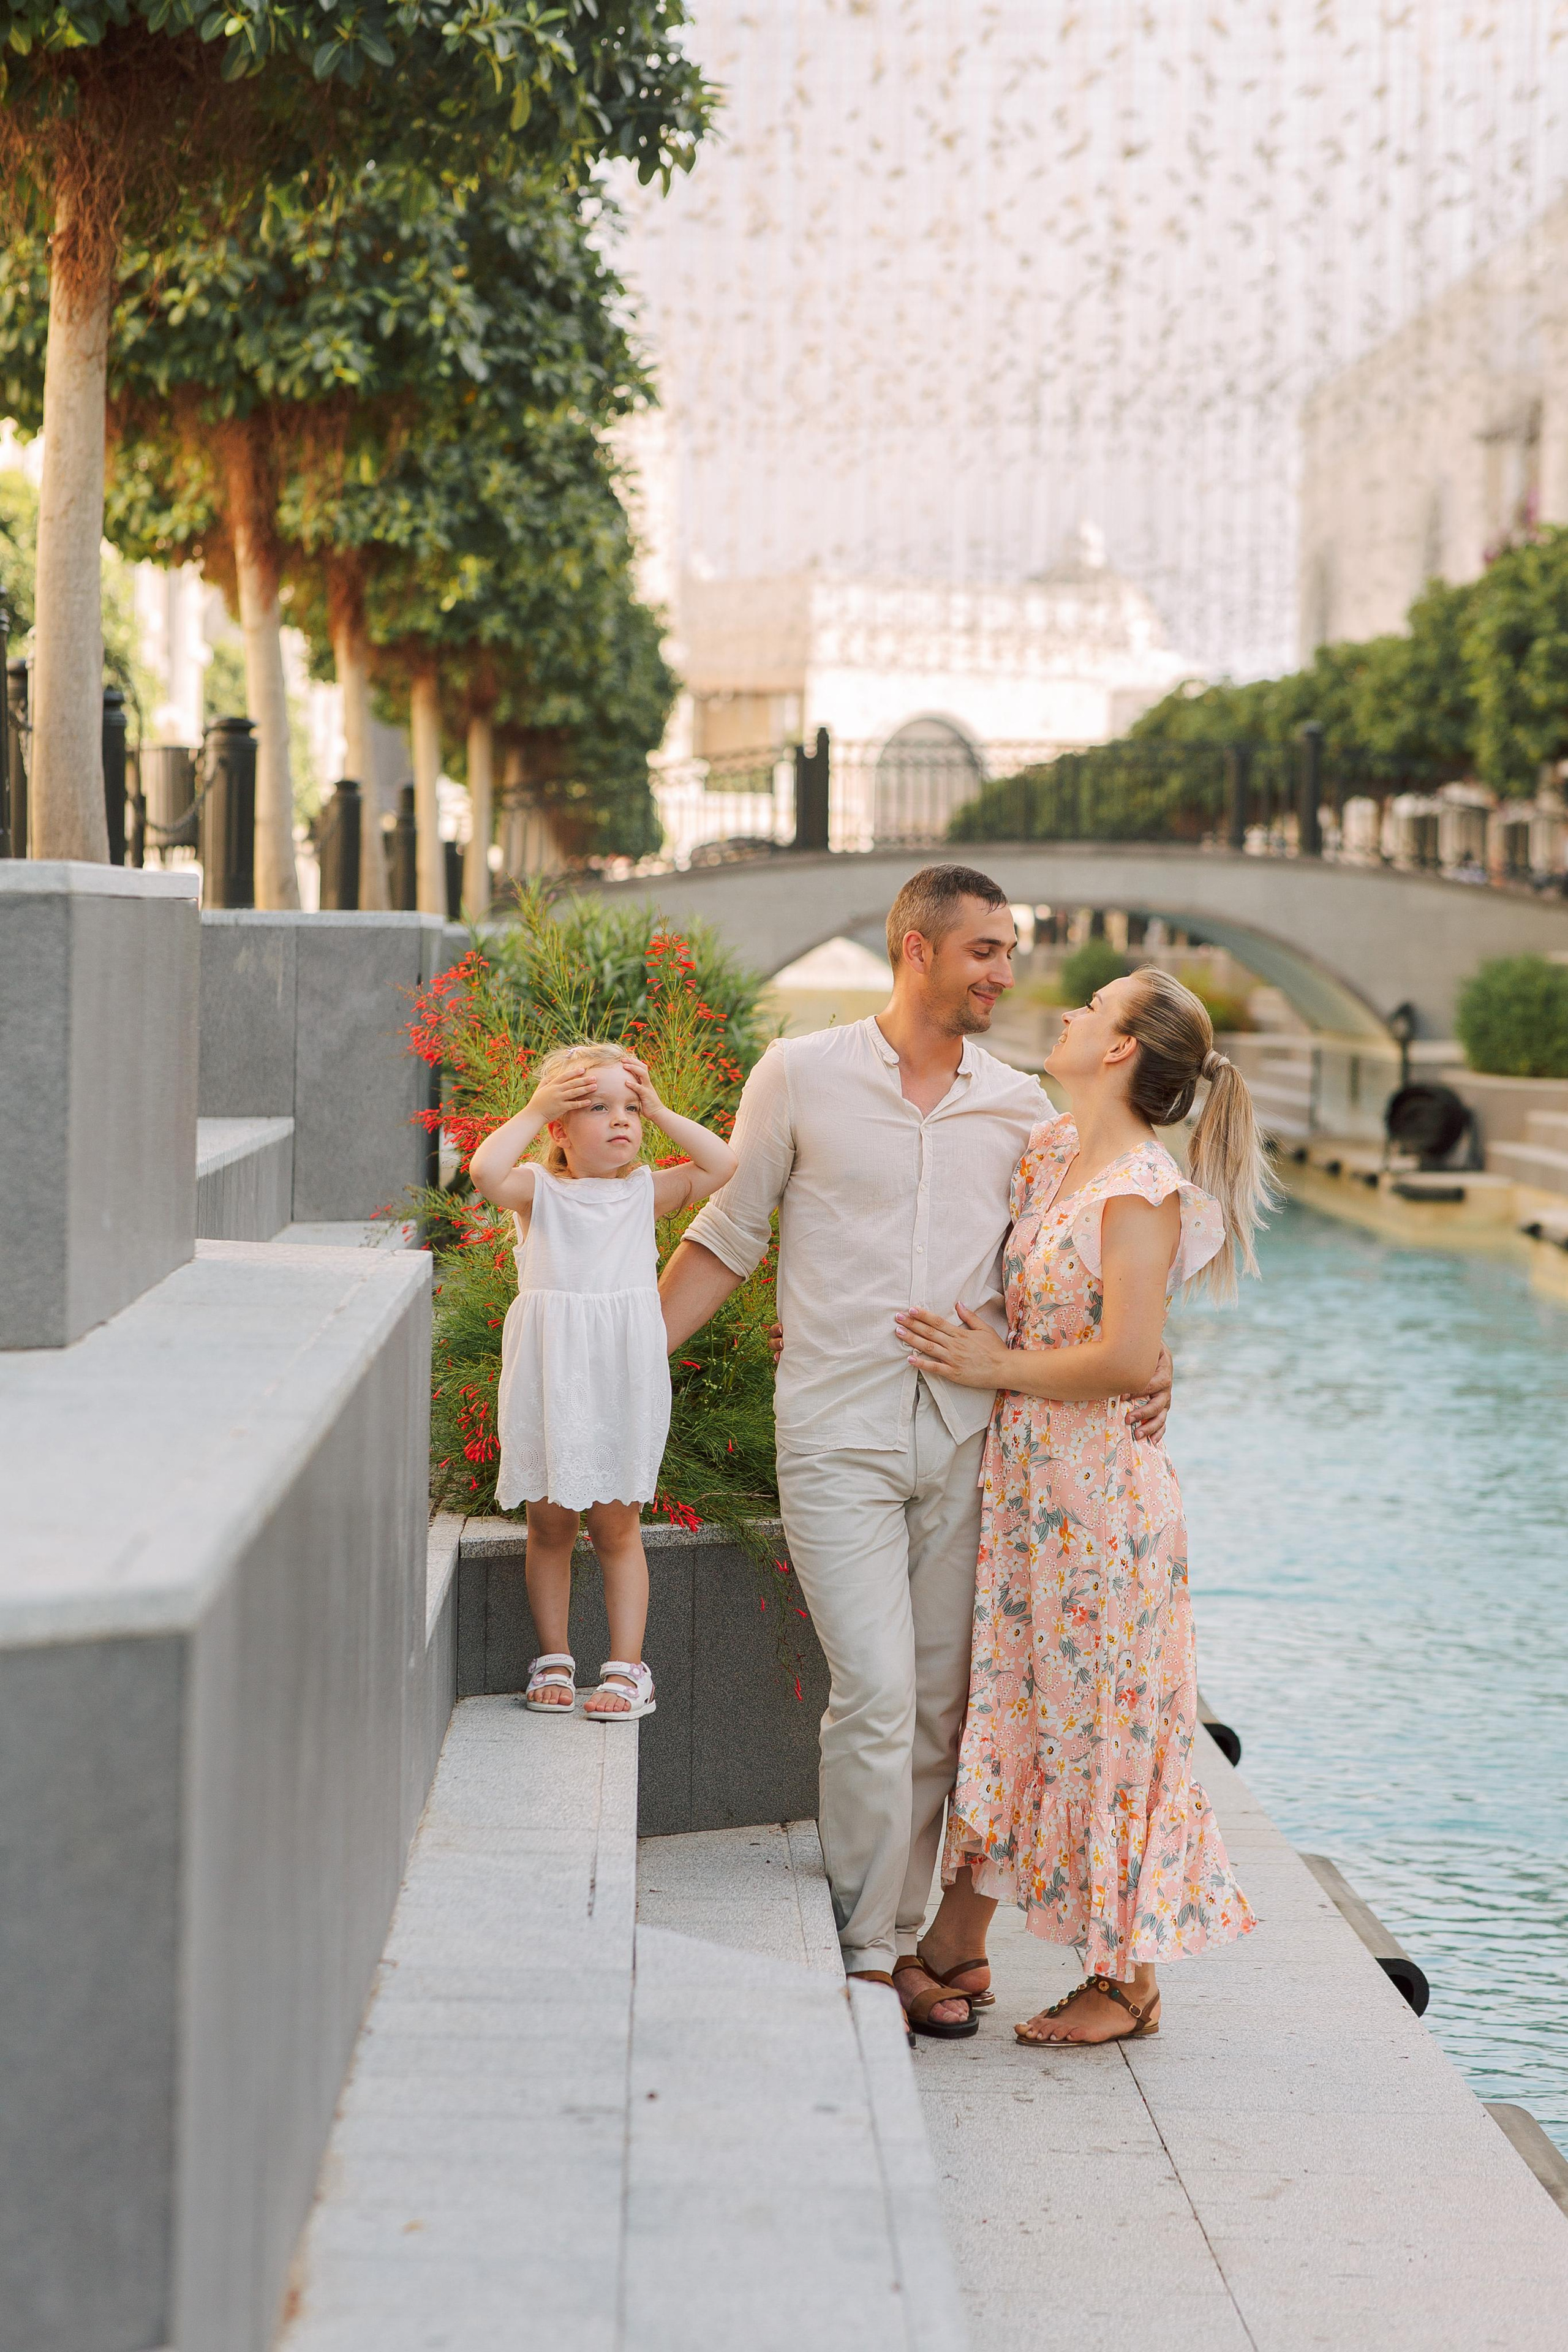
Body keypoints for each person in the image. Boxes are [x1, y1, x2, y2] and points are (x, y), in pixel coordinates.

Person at [658, 865, 1174, 2035]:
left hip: (970, 1440)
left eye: (1010, 951)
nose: (1005, 973)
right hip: (835, 1431)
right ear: (916, 949)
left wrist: (1154, 1360)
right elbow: (729, 1233)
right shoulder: (799, 1075)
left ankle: (906, 1944)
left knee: (940, 1705)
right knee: (878, 1692)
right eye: (986, 950)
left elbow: (1084, 1253)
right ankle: (864, 1949)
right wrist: (621, 1353)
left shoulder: (1023, 1113)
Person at [898, 967, 1268, 2044]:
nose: (1067, 1012)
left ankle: (1128, 1982)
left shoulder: (1141, 1190)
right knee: (1020, 1712)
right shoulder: (1053, 1151)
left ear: (1119, 1050)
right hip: (1032, 1496)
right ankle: (956, 1944)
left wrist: (996, 1366)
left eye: (1092, 1007)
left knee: (1103, 1727)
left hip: (1101, 1508)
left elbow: (1124, 1357)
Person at [470, 1041, 737, 1720]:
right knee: (550, 1524)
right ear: (561, 1128)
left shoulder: (644, 1192)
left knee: (617, 1526)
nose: (621, 1119)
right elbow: (484, 1171)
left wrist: (661, 1109)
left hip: (618, 1380)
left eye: (630, 1108)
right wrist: (535, 1109)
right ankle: (554, 1657)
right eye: (597, 1107)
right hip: (553, 1378)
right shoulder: (539, 1192)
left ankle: (626, 1668)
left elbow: (722, 1164)